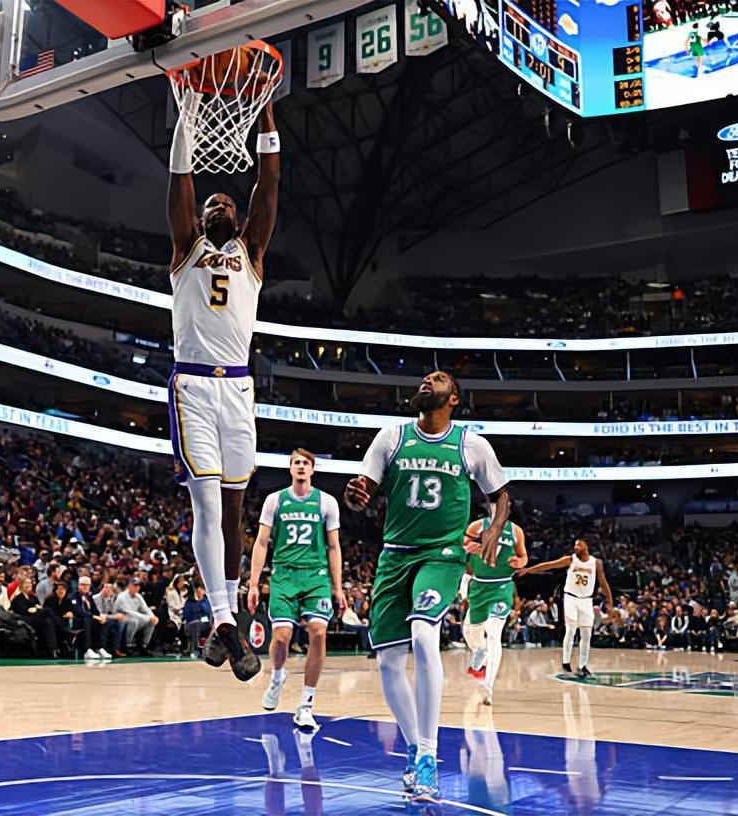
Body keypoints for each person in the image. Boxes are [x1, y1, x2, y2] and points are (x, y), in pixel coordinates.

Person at [344, 370, 510, 801]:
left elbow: (501, 496)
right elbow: (364, 490)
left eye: (437, 379)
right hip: (395, 555)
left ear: (453, 398)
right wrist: (355, 496)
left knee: (423, 633)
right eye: (424, 377)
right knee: (388, 662)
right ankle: (415, 746)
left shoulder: (471, 444)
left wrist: (494, 528)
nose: (426, 381)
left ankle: (430, 756)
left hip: (442, 554)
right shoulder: (391, 437)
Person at [165, 90, 280, 683]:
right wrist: (186, 118)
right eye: (211, 203)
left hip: (238, 392)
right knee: (207, 501)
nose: (217, 205)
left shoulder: (250, 251)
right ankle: (223, 617)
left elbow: (269, 187)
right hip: (193, 387)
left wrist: (266, 121)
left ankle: (225, 619)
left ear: (237, 219)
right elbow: (180, 181)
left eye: (226, 203)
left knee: (234, 508)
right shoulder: (186, 248)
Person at [247, 448, 344, 731]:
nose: (301, 466)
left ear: (312, 469)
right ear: (290, 469)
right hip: (284, 575)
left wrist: (338, 587)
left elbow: (334, 546)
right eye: (296, 462)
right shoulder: (275, 500)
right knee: (281, 637)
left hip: (316, 576)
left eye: (305, 463)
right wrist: (253, 584)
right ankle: (278, 675)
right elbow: (261, 542)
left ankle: (306, 705)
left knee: (319, 632)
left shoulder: (326, 502)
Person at [519, 539, 615, 677]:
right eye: (574, 545)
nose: (576, 547)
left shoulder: (596, 563)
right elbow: (550, 565)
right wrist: (529, 570)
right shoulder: (571, 560)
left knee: (587, 633)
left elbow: (604, 584)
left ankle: (583, 666)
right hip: (571, 598)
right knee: (571, 629)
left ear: (586, 546)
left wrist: (610, 602)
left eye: (579, 544)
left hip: (586, 600)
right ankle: (566, 662)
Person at [462, 515, 527, 705]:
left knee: (493, 633)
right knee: (469, 631)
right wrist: (468, 548)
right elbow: (461, 548)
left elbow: (523, 556)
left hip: (501, 586)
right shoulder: (476, 526)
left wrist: (521, 562)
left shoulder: (515, 530)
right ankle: (480, 652)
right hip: (479, 586)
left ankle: (488, 686)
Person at [114, 578, 158, 655]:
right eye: (134, 586)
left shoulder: (139, 596)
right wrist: (147, 618)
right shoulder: (122, 596)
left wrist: (152, 616)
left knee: (152, 621)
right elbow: (129, 612)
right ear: (129, 586)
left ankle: (144, 645)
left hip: (137, 618)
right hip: (121, 618)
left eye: (138, 586)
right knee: (134, 621)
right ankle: (128, 645)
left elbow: (146, 609)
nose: (136, 588)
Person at [182, 582, 213, 658]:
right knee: (195, 625)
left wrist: (200, 602)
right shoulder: (189, 602)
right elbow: (186, 615)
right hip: (190, 625)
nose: (199, 592)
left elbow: (207, 613)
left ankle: (196, 649)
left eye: (201, 590)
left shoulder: (206, 602)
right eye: (198, 590)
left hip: (205, 625)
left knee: (197, 625)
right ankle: (196, 649)